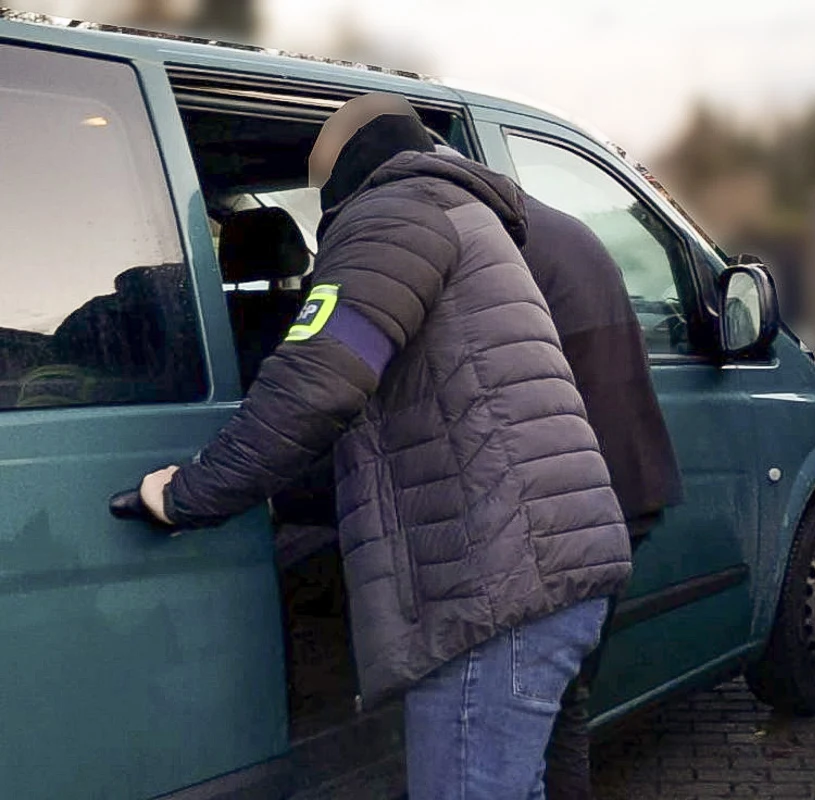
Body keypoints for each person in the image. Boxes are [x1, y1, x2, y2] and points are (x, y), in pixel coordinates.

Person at [137, 92, 632, 800]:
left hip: (491, 592)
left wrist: (184, 494)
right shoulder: (456, 211)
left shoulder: (391, 217)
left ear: (347, 160)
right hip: (534, 570)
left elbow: (317, 385)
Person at [429, 143, 682, 796]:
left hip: (563, 508)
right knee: (564, 697)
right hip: (618, 494)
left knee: (538, 710)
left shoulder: (481, 245)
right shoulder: (557, 229)